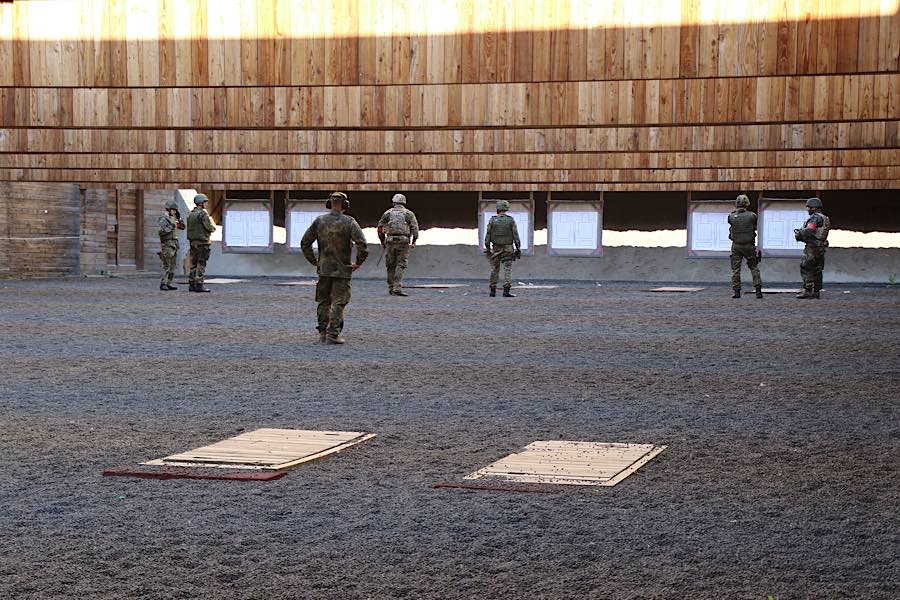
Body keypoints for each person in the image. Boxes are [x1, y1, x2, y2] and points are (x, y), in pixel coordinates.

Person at [300, 192, 368, 344]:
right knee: (339, 301)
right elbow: (362, 245)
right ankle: (333, 333)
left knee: (323, 301)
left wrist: (315, 261)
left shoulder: (319, 221)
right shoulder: (349, 222)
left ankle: (323, 332)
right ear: (345, 205)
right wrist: (358, 263)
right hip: (343, 270)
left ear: (329, 203)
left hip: (324, 269)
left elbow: (305, 243)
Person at [377, 193, 419, 296]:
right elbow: (415, 228)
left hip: (390, 241)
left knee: (390, 265)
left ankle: (391, 287)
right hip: (403, 241)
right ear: (404, 202)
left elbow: (379, 228)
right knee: (401, 264)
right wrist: (414, 241)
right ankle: (397, 287)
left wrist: (382, 241)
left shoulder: (387, 213)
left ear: (393, 202)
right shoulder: (409, 214)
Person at [727, 194, 763, 299]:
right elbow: (754, 226)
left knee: (736, 270)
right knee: (754, 267)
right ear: (747, 204)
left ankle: (736, 292)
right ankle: (758, 291)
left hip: (736, 246)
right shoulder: (752, 216)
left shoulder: (731, 216)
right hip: (749, 245)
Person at [794, 197, 830, 299]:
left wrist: (799, 233)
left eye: (809, 207)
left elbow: (810, 230)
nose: (808, 209)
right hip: (820, 247)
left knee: (806, 266)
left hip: (813, 247)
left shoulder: (815, 218)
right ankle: (816, 291)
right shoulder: (824, 218)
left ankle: (808, 290)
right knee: (817, 269)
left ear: (814, 208)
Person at [484, 200, 521, 297]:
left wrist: (488, 249)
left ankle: (492, 291)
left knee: (494, 269)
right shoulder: (510, 220)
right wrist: (518, 248)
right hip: (508, 248)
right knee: (507, 269)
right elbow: (515, 235)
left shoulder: (492, 220)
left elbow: (487, 236)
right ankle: (506, 291)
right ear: (506, 208)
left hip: (496, 248)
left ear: (498, 208)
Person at [186, 194, 216, 293]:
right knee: (201, 263)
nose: (206, 204)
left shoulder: (191, 214)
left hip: (193, 242)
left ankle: (191, 284)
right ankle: (199, 284)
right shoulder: (202, 214)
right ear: (201, 203)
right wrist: (213, 228)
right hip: (202, 242)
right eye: (205, 202)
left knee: (193, 263)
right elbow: (209, 227)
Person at [157, 198, 184, 291]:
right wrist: (172, 225)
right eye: (174, 210)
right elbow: (161, 231)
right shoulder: (163, 218)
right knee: (166, 264)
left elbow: (183, 227)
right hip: (167, 243)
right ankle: (163, 283)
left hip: (174, 243)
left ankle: (168, 283)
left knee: (173, 265)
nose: (175, 211)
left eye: (176, 210)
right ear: (169, 209)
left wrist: (179, 219)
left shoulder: (174, 218)